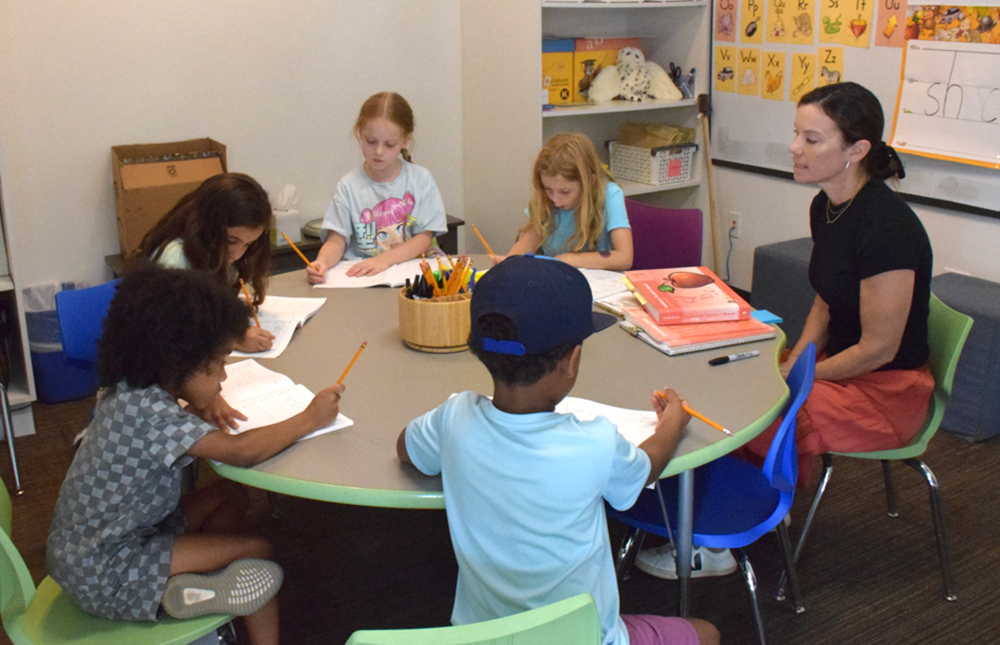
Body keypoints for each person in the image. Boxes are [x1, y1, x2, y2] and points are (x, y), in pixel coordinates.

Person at [637, 82, 934, 580]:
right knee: (734, 381)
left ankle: (724, 540)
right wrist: (795, 360)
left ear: (857, 150)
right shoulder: (827, 205)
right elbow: (826, 299)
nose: (795, 148)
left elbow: (879, 349)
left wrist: (799, 377)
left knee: (767, 409)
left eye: (812, 139)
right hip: (843, 365)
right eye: (796, 133)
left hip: (887, 387)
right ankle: (740, 503)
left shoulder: (887, 229)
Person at [397, 256, 719, 645]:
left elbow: (406, 449)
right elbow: (646, 468)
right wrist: (672, 423)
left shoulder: (454, 418)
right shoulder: (595, 442)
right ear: (572, 360)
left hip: (482, 637)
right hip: (584, 638)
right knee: (707, 633)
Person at [46, 267, 344, 645]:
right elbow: (241, 452)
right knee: (258, 556)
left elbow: (159, 437)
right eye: (217, 363)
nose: (222, 376)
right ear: (177, 361)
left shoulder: (129, 390)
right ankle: (212, 585)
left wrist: (193, 410)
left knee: (229, 497)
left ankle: (199, 580)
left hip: (96, 545)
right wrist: (309, 419)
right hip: (106, 569)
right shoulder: (148, 411)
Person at [307, 91, 448, 283]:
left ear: (405, 141)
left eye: (390, 144)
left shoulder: (421, 179)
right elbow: (336, 240)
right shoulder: (348, 186)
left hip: (412, 276)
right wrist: (322, 262)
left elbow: (424, 238)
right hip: (362, 279)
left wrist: (384, 260)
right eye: (370, 141)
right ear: (359, 134)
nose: (379, 151)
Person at [136, 172, 276, 355]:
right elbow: (175, 332)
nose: (238, 253)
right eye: (232, 241)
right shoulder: (175, 257)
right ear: (208, 225)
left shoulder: (212, 249)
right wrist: (234, 339)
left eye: (248, 244)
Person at [495, 132, 633, 271]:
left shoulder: (610, 194)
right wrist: (509, 263)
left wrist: (569, 259)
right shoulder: (544, 199)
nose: (555, 200)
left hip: (599, 283)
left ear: (589, 182)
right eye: (548, 189)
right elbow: (529, 240)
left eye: (565, 192)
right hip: (556, 277)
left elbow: (625, 258)